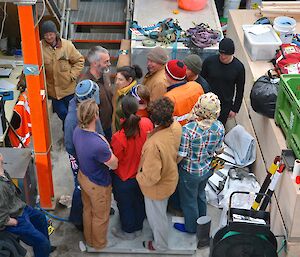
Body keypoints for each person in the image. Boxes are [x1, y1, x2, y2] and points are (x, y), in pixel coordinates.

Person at [136, 97, 182, 251]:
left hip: (157, 188)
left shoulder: (154, 145)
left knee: (157, 218)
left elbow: (151, 177)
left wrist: (138, 176)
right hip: (170, 177)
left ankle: (160, 245)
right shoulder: (176, 126)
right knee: (161, 212)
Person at [175, 93, 225, 234]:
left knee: (189, 200)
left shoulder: (188, 130)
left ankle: (191, 228)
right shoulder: (219, 127)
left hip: (189, 172)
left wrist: (173, 165)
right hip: (207, 169)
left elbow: (181, 155)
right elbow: (219, 150)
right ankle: (202, 224)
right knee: (200, 195)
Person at [73, 99, 118, 250]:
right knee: (100, 216)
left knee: (88, 210)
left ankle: (89, 239)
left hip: (84, 176)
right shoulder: (98, 145)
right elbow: (114, 163)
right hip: (98, 184)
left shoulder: (77, 131)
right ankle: (98, 244)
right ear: (96, 116)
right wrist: (108, 147)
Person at [110, 95, 153, 240]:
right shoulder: (147, 124)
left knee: (125, 206)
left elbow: (116, 160)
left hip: (124, 178)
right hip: (141, 174)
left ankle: (128, 231)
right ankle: (139, 227)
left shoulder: (118, 137)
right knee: (139, 201)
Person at [64, 79, 104, 230]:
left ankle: (97, 208)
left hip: (91, 154)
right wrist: (83, 158)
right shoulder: (71, 119)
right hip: (81, 158)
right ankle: (77, 218)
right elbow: (69, 145)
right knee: (80, 186)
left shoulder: (87, 108)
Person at [0, 154, 53, 257]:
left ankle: (44, 249)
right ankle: (43, 247)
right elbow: (1, 217)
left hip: (21, 208)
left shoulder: (2, 173)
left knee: (41, 218)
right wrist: (13, 222)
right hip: (15, 217)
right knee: (41, 242)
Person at [41, 20, 84, 126]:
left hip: (69, 89)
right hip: (54, 93)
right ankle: (69, 134)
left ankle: (69, 136)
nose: (49, 37)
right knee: (63, 114)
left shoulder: (67, 46)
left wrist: (72, 75)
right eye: (46, 35)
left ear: (56, 33)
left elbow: (79, 61)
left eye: (51, 34)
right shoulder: (40, 47)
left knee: (71, 115)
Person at [201, 37, 245, 126]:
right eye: (221, 53)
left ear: (232, 54)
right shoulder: (209, 62)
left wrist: (235, 109)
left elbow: (240, 90)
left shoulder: (239, 68)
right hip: (207, 102)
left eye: (226, 55)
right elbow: (201, 80)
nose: (223, 57)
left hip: (224, 105)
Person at [79, 46, 113, 141]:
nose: (109, 64)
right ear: (95, 63)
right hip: (98, 132)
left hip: (108, 125)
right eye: (106, 62)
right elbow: (85, 114)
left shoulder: (105, 74)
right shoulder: (85, 86)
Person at [164, 59, 204, 125]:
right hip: (196, 129)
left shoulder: (169, 97)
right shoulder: (197, 86)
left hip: (178, 132)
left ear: (168, 75)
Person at [113, 65, 143, 132]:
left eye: (120, 79)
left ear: (129, 80)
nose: (116, 82)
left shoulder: (133, 96)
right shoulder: (122, 93)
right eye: (116, 79)